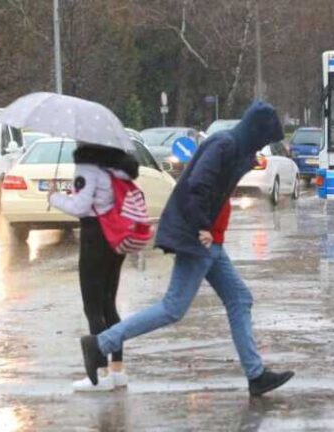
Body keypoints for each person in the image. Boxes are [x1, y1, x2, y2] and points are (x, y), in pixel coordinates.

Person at [79, 101, 295, 396]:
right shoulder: (225, 145)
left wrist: (209, 229)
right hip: (199, 239)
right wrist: (202, 226)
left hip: (210, 240)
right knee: (172, 308)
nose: (264, 146)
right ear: (257, 131)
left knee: (240, 299)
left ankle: (256, 376)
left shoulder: (233, 146)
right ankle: (100, 344)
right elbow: (196, 186)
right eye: (265, 139)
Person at [49, 142, 140, 392]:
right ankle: (118, 370)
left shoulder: (87, 167)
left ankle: (99, 375)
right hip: (116, 236)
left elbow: (81, 207)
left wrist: (54, 198)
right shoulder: (117, 167)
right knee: (109, 302)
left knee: (93, 306)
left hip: (94, 237)